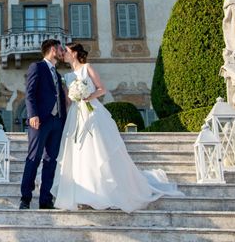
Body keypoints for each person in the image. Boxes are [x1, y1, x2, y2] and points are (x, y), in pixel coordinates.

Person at [51, 43, 183, 212]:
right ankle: (84, 194)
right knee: (79, 152)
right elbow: (69, 101)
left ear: (75, 53)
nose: (64, 54)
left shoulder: (87, 68)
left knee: (98, 151)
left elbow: (102, 89)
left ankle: (105, 193)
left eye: (67, 51)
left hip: (92, 113)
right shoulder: (67, 76)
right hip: (76, 116)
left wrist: (88, 95)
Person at [19, 39, 67, 210]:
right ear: (53, 49)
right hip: (40, 120)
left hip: (57, 121)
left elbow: (59, 98)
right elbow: (29, 93)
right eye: (61, 49)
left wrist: (64, 120)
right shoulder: (37, 67)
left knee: (51, 160)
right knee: (34, 158)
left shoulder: (58, 74)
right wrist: (32, 114)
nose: (62, 52)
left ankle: (45, 200)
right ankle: (25, 198)